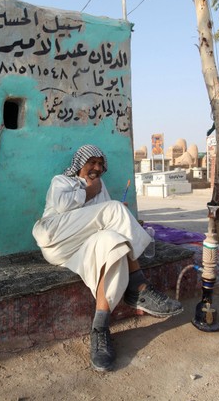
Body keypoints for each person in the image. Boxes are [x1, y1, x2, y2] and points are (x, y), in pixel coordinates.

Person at [32, 145, 183, 372]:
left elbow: (111, 217)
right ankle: (138, 285)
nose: (97, 168)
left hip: (80, 248)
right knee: (113, 211)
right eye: (92, 162)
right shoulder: (62, 181)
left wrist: (117, 213)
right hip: (55, 237)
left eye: (100, 164)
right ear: (79, 163)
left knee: (114, 242)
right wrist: (89, 192)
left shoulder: (101, 189)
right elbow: (62, 205)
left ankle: (100, 328)